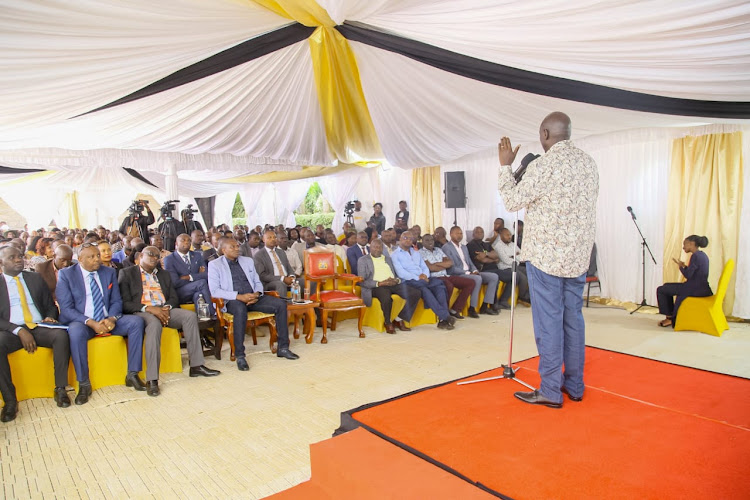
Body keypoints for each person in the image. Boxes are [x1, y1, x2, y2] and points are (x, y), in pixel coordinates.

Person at [497, 111, 599, 408]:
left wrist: (505, 167)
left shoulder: (544, 165)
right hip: (578, 257)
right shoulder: (589, 164)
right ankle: (575, 386)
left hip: (546, 257)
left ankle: (551, 390)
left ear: (544, 134)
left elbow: (513, 201)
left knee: (549, 323)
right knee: (574, 320)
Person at [118, 246, 220, 396]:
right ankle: (152, 379)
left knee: (190, 317)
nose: (154, 258)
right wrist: (149, 309)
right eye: (150, 255)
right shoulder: (127, 273)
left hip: (165, 309)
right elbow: (125, 303)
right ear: (140, 256)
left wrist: (167, 307)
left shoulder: (164, 274)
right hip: (143, 311)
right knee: (154, 324)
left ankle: (196, 366)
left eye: (157, 256)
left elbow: (174, 297)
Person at [57, 243, 147, 405]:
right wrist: (91, 322)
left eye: (97, 255)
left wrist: (112, 318)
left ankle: (132, 374)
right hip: (83, 321)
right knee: (75, 332)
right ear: (80, 260)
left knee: (136, 322)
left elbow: (116, 300)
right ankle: (84, 383)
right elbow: (66, 308)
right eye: (91, 257)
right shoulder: (66, 275)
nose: (97, 259)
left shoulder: (109, 272)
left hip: (107, 320)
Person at [0, 246, 71, 421]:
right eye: (12, 257)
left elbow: (50, 305)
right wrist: (18, 330)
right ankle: (10, 401)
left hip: (39, 325)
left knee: (61, 336)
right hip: (11, 329)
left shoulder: (34, 278)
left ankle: (60, 389)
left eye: (19, 256)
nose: (18, 260)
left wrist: (50, 317)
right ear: (1, 262)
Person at [208, 238, 299, 371]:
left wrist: (256, 294)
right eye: (232, 247)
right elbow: (215, 290)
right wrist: (239, 296)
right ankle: (240, 356)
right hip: (234, 300)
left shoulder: (247, 261)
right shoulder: (215, 265)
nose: (237, 248)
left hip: (253, 297)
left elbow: (257, 282)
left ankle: (283, 348)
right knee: (240, 310)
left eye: (237, 245)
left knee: (280, 304)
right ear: (224, 250)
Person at [391, 231, 456, 330]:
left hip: (424, 278)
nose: (408, 240)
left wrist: (425, 275)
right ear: (400, 239)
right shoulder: (395, 255)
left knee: (440, 286)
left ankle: (442, 321)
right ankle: (445, 316)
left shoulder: (415, 252)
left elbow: (424, 266)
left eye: (410, 238)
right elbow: (401, 273)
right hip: (409, 280)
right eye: (405, 238)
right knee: (424, 290)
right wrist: (419, 277)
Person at [357, 239, 419, 333]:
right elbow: (362, 281)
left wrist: (396, 280)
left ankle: (399, 319)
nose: (377, 249)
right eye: (375, 247)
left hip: (392, 283)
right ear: (370, 248)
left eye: (379, 247)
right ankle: (388, 322)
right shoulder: (363, 260)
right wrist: (380, 283)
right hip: (376, 286)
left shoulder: (387, 259)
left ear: (382, 249)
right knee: (386, 296)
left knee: (415, 293)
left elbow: (396, 274)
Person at [441, 226, 499, 317]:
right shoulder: (446, 248)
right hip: (458, 273)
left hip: (469, 271)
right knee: (477, 278)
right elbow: (451, 267)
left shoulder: (464, 247)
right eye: (457, 233)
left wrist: (474, 270)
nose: (459, 235)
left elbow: (470, 262)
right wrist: (468, 273)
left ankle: (485, 305)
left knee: (494, 277)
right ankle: (472, 308)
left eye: (461, 233)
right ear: (451, 234)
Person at [656, 235, 712, 328]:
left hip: (694, 289)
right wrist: (684, 266)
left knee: (661, 290)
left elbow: (688, 275)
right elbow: (694, 273)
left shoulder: (695, 256)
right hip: (701, 287)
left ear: (691, 244)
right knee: (666, 286)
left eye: (685, 244)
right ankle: (671, 316)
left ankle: (669, 318)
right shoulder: (702, 255)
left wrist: (680, 267)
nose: (683, 247)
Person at [420, 234, 475, 319]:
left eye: (431, 240)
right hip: (435, 278)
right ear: (422, 242)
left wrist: (437, 264)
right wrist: (442, 265)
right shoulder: (420, 252)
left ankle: (455, 309)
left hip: (447, 275)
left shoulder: (438, 250)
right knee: (449, 285)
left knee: (470, 283)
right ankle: (445, 313)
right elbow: (431, 268)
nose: (430, 242)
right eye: (427, 240)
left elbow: (450, 263)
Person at [163, 233, 215, 318]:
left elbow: (206, 275)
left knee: (198, 295)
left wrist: (189, 277)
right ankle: (213, 313)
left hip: (196, 290)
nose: (186, 242)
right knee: (201, 283)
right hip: (180, 292)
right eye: (183, 240)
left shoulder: (197, 255)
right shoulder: (169, 259)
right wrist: (198, 275)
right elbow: (175, 282)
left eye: (189, 240)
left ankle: (203, 319)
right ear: (176, 244)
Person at [466, 227, 512, 309]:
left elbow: (497, 256)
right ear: (473, 235)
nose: (480, 233)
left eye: (481, 232)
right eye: (477, 232)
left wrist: (486, 254)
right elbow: (481, 259)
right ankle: (493, 304)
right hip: (483, 269)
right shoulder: (471, 245)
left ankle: (503, 300)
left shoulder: (486, 244)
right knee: (496, 277)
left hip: (495, 268)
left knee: (513, 276)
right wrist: (492, 259)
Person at [253, 230, 300, 296]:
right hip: (270, 283)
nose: (272, 239)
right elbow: (262, 275)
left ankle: (310, 305)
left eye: (274, 237)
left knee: (305, 282)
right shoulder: (259, 255)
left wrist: (291, 277)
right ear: (263, 239)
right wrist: (282, 279)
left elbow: (289, 268)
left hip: (287, 279)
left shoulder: (281, 252)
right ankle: (283, 305)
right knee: (280, 284)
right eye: (269, 237)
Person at [493, 228, 531, 304]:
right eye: (507, 235)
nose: (509, 236)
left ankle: (528, 295)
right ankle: (522, 297)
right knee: (522, 277)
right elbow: (506, 260)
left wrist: (513, 257)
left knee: (531, 273)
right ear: (501, 236)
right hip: (505, 268)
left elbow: (522, 256)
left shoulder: (513, 244)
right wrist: (515, 257)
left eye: (510, 234)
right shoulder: (498, 246)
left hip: (515, 265)